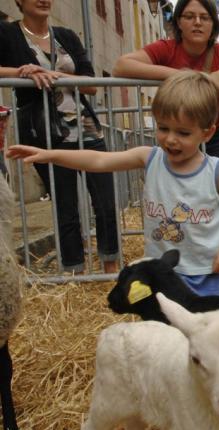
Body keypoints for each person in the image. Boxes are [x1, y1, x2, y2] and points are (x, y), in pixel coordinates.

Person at [9, 71, 219, 296]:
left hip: (208, 273)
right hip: (162, 272)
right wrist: (50, 154)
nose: (171, 139)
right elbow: (99, 160)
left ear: (206, 134)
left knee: (208, 332)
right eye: (163, 128)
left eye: (183, 133)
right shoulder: (150, 157)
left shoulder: (215, 170)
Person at [0, 0, 119, 273]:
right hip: (44, 132)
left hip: (86, 127)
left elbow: (91, 84)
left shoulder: (65, 35)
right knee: (66, 206)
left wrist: (60, 76)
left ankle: (110, 265)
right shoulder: (7, 33)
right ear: (19, 1)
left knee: (105, 199)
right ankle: (74, 270)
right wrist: (21, 72)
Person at [113, 0, 219, 172]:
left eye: (204, 17)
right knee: (179, 187)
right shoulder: (166, 48)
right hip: (178, 133)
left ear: (213, 24)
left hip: (216, 134)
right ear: (179, 22)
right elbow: (121, 66)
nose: (197, 22)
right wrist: (178, 75)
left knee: (218, 190)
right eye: (189, 16)